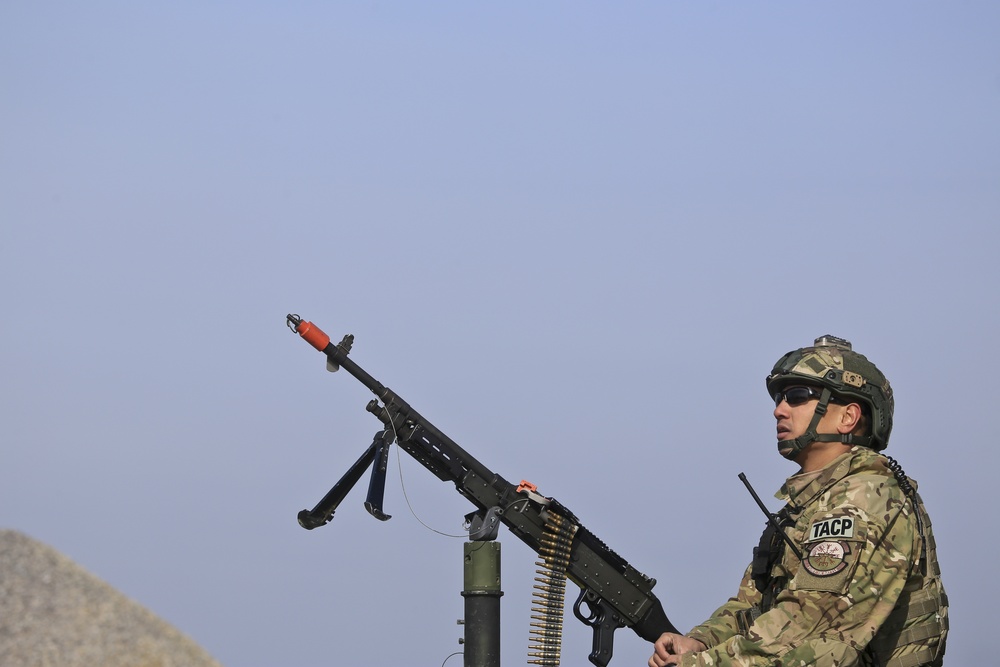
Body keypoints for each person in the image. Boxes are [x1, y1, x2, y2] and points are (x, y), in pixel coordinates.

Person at [649, 335, 947, 667]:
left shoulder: (865, 500)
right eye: (779, 398)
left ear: (847, 417)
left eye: (797, 396)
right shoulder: (805, 508)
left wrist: (702, 664)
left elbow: (808, 627)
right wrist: (699, 641)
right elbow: (754, 610)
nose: (779, 410)